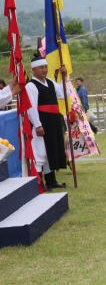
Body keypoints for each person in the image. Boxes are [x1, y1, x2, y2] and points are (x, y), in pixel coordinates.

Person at [25, 52, 67, 190]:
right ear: (34, 69)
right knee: (41, 152)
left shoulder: (50, 82)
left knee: (51, 150)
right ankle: (38, 183)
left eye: (45, 67)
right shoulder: (31, 86)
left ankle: (51, 180)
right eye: (41, 67)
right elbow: (31, 107)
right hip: (42, 122)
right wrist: (37, 125)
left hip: (53, 122)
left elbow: (63, 94)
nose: (44, 70)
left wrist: (64, 76)